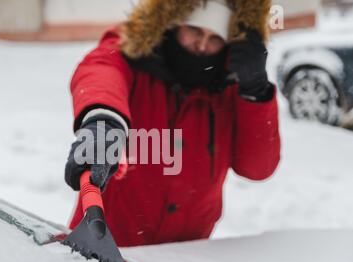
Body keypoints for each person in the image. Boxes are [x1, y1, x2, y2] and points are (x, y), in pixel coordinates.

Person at [64, 0, 281, 247]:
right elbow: (101, 69)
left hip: (182, 261)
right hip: (105, 246)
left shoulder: (230, 87)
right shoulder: (133, 56)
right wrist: (103, 120)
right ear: (173, 24)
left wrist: (255, 93)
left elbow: (257, 167)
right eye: (195, 31)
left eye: (215, 38)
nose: (202, 45)